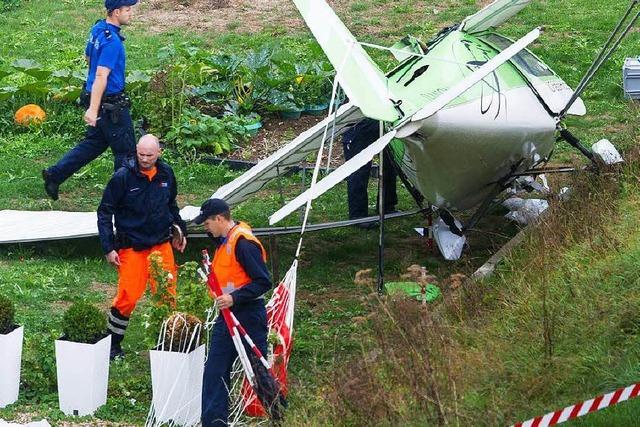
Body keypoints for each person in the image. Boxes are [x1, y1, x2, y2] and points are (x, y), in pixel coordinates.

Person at [97, 134, 187, 360]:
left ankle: (167, 342)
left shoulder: (166, 174)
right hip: (132, 247)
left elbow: (171, 205)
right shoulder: (122, 177)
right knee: (128, 295)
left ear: (159, 153)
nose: (145, 159)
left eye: (149, 155)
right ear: (136, 151)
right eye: (141, 154)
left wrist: (179, 229)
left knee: (167, 294)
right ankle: (112, 344)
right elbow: (104, 211)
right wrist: (109, 247)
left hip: (161, 244)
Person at [42, 0, 138, 201]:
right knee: (126, 152)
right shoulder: (112, 42)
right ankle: (123, 198)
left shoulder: (98, 28)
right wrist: (93, 110)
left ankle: (55, 174)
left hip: (95, 96)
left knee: (93, 144)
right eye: (128, 10)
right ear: (116, 12)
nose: (131, 13)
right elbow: (102, 75)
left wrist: (94, 98)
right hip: (111, 105)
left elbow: (88, 58)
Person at [194, 198, 272, 427]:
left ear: (219, 219)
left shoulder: (243, 243)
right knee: (214, 371)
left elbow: (263, 281)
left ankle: (282, 416)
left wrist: (233, 297)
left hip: (249, 314)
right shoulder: (223, 239)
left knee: (258, 371)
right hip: (227, 316)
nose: (205, 228)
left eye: (207, 223)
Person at [342, 118, 398, 227]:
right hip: (359, 123)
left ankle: (387, 206)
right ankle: (358, 216)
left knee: (390, 166)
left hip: (384, 121)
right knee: (358, 171)